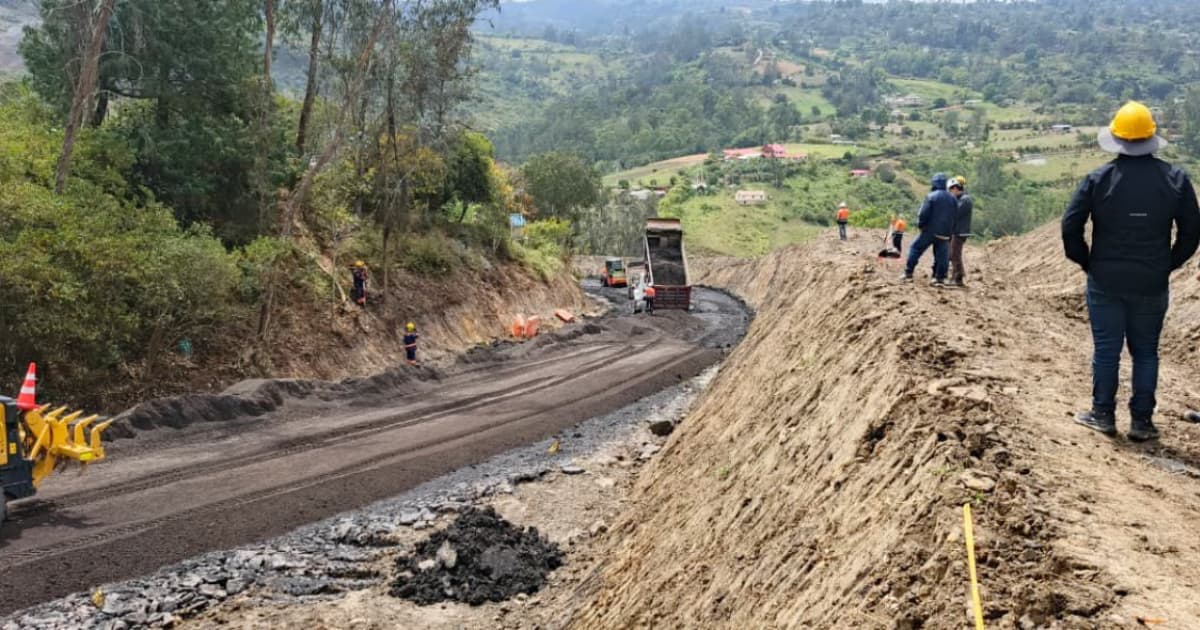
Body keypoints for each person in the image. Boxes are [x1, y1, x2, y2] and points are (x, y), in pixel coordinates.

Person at [1064, 101, 1200, 441]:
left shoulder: (1099, 179)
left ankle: (1102, 415)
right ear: (1151, 137)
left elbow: (1070, 226)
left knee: (1107, 350)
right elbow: (1191, 233)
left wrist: (1087, 262)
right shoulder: (1176, 179)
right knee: (1146, 352)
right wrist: (1167, 264)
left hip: (1106, 280)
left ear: (1117, 139)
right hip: (1151, 282)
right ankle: (1142, 422)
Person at [902, 173, 957, 286]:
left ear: (934, 183)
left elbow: (923, 213)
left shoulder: (931, 196)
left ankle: (908, 273)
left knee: (915, 248)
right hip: (945, 233)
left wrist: (921, 225)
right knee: (942, 256)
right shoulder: (953, 199)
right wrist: (950, 231)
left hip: (930, 231)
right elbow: (955, 216)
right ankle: (939, 279)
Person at [948, 176, 974, 287]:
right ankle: (956, 276)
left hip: (960, 231)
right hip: (957, 230)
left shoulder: (965, 200)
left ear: (955, 188)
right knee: (953, 254)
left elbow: (956, 213)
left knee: (955, 254)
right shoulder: (962, 199)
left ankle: (958, 278)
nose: (950, 193)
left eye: (950, 190)